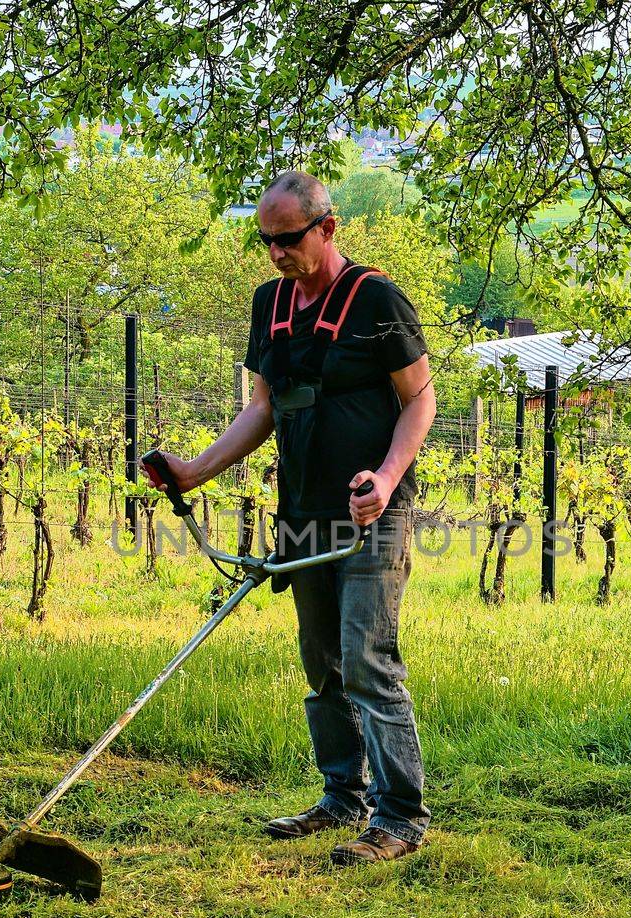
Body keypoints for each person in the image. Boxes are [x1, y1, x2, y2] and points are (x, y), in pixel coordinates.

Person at [144, 170, 436, 864]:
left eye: (288, 240)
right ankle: (343, 796)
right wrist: (192, 470)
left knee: (367, 658)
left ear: (327, 228)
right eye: (265, 242)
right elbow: (263, 408)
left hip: (372, 511)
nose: (276, 254)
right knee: (323, 663)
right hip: (303, 510)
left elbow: (421, 400)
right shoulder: (269, 304)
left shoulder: (377, 300)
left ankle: (401, 816)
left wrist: (387, 479)